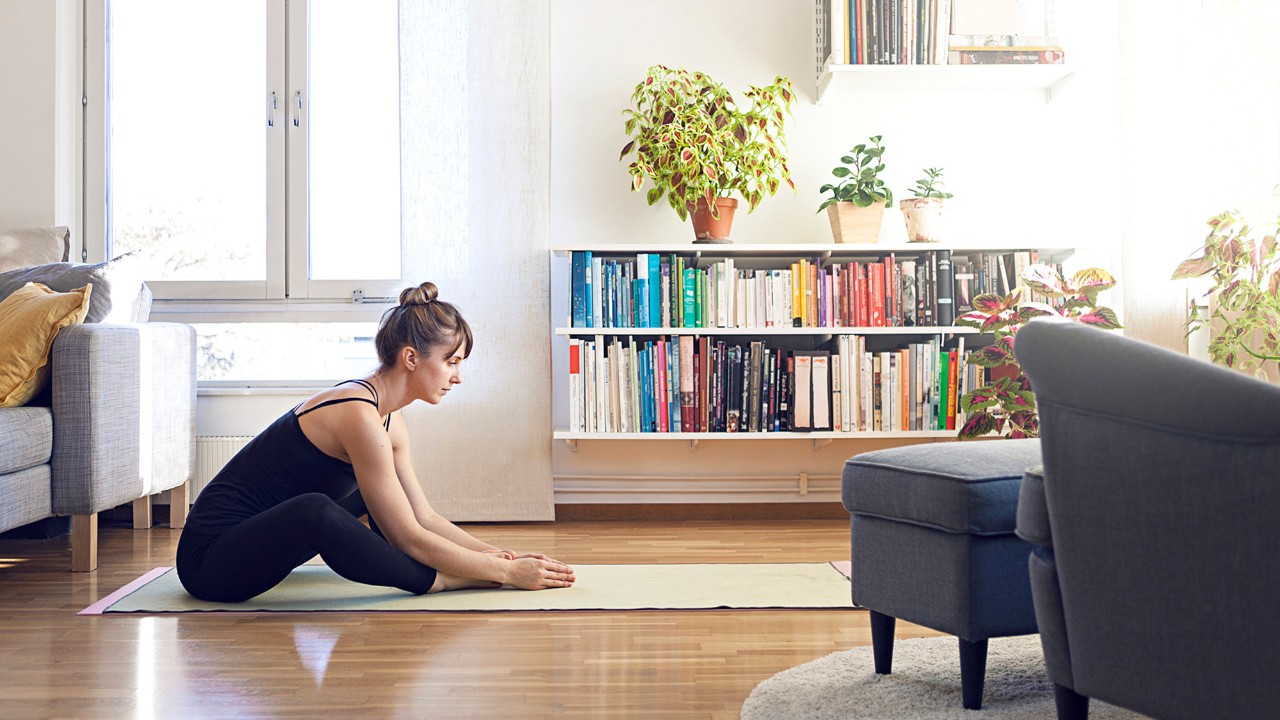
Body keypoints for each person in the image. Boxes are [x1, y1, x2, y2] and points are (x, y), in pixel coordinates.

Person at [176, 282, 575, 602]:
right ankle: (438, 581)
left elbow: (423, 517)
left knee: (373, 499)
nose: (458, 377)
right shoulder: (357, 413)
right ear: (411, 358)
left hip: (260, 550)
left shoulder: (389, 420)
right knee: (317, 510)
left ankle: (452, 572)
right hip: (210, 565)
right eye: (452, 362)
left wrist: (493, 554)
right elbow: (406, 537)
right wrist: (502, 574)